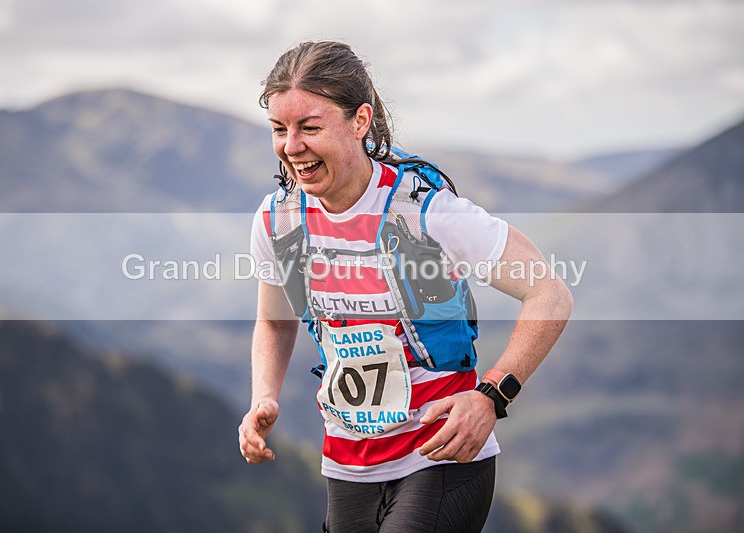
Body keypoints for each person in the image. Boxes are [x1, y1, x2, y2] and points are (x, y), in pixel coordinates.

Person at [238, 40, 573, 533]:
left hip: (440, 458)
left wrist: (492, 396)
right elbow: (274, 319)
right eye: (279, 129)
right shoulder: (278, 221)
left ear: (360, 121)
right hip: (348, 463)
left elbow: (550, 293)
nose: (291, 146)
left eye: (310, 128)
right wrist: (263, 396)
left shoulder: (425, 212)